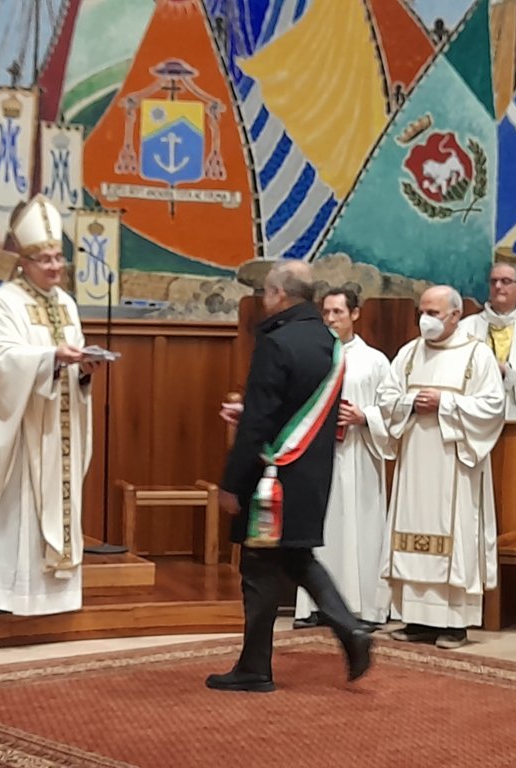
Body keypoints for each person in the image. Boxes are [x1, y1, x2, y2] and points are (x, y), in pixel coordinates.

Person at [209, 260, 373, 692]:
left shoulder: (276, 342)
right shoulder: (329, 341)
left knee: (259, 569)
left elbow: (260, 422)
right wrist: (251, 411)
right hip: (312, 472)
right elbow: (297, 405)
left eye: (266, 291)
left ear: (279, 293)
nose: (264, 299)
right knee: (296, 557)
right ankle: (348, 629)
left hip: (272, 478)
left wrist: (232, 483)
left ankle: (256, 667)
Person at [0, 194, 102, 615]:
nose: (55, 267)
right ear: (23, 261)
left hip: (60, 427)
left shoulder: (66, 304)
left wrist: (85, 371)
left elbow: (74, 358)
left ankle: (52, 596)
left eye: (58, 257)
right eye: (45, 259)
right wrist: (49, 358)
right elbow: (0, 360)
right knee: (16, 507)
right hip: (22, 428)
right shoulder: (5, 301)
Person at [379, 285, 506, 649]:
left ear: (455, 315)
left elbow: (493, 407)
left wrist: (445, 403)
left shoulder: (477, 355)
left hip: (454, 461)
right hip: (415, 459)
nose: (425, 320)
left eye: (433, 313)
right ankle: (416, 619)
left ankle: (454, 623)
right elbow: (386, 398)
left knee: (454, 535)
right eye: (422, 312)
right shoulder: (408, 353)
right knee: (410, 530)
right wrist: (409, 403)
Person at [294, 288, 393, 630]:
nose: (331, 319)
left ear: (355, 314)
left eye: (338, 312)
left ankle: (362, 609)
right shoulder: (314, 356)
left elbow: (392, 410)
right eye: (326, 312)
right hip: (319, 456)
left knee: (359, 528)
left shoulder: (375, 361)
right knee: (322, 528)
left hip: (360, 454)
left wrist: (365, 417)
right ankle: (316, 607)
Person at [463, 262, 516, 421]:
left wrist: (507, 370)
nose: (498, 286)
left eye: (505, 281)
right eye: (493, 281)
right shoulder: (467, 327)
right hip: (477, 411)